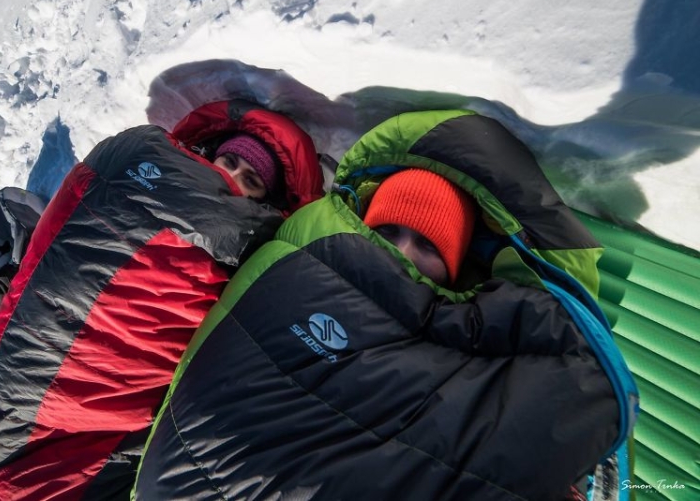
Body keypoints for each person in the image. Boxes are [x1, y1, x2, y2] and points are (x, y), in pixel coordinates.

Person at [132, 109, 638, 500]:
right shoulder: (305, 250)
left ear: (458, 272)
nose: (402, 252)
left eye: (429, 245)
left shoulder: (464, 332)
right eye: (388, 230)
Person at [0, 99, 325, 500]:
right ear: (208, 152)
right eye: (230, 161)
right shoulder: (139, 160)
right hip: (30, 394)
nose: (230, 176)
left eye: (251, 180)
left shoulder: (254, 241)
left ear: (266, 203)